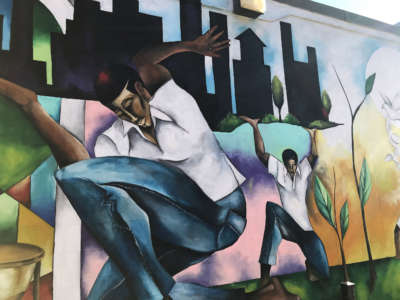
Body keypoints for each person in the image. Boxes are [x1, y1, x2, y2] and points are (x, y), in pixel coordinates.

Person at [0, 27, 300, 300]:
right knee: (108, 293)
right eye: (120, 111)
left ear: (142, 90)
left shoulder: (175, 105)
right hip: (178, 231)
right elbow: (90, 180)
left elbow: (143, 60)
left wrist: (190, 46)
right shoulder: (114, 140)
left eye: (130, 103)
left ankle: (154, 290)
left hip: (223, 215)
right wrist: (34, 108)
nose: (129, 116)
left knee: (97, 178)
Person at [240, 116, 329, 290]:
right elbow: (261, 153)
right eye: (288, 166)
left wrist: (312, 135)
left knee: (324, 273)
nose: (291, 169)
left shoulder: (303, 170)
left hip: (305, 230)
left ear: (296, 163)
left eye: (293, 165)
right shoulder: (279, 170)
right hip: (286, 224)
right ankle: (265, 275)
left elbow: (315, 155)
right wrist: (255, 127)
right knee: (272, 209)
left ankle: (311, 266)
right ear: (284, 164)